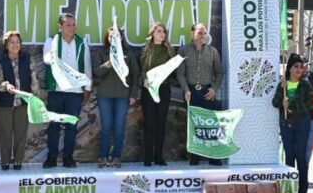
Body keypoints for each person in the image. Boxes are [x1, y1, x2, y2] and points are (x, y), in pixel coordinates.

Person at [42, 13, 93, 169]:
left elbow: (87, 65)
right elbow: (46, 59)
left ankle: (68, 158)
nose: (71, 28)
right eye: (68, 25)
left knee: (71, 126)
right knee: (54, 126)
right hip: (56, 90)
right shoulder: (51, 41)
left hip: (75, 92)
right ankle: (51, 158)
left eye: (73, 25)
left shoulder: (81, 43)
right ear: (60, 27)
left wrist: (88, 88)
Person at [0, 30, 41, 171]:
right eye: (12, 42)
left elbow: (34, 78)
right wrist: (5, 86)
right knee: (5, 133)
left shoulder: (27, 58)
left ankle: (18, 161)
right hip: (6, 102)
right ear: (6, 44)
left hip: (23, 102)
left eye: (17, 42)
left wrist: (35, 96)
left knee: (21, 133)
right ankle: (5, 162)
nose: (15, 45)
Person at [177, 23, 223, 166]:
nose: (202, 36)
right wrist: (186, 90)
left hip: (207, 92)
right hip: (191, 92)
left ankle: (213, 157)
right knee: (193, 125)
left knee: (210, 124)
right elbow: (180, 73)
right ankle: (195, 157)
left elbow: (219, 73)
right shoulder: (183, 50)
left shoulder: (213, 51)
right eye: (199, 33)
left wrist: (214, 89)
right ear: (192, 34)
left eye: (204, 33)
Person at [94, 25, 140, 168]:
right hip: (105, 96)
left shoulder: (128, 54)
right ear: (107, 38)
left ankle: (116, 157)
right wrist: (109, 64)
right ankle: (103, 156)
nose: (114, 39)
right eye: (111, 36)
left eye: (117, 36)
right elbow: (96, 72)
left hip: (122, 96)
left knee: (119, 127)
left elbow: (135, 75)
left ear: (121, 38)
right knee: (107, 127)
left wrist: (133, 95)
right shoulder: (101, 52)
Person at [272, 54, 313, 193]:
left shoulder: (305, 85)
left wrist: (292, 104)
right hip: (286, 124)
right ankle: (290, 191)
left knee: (301, 157)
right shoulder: (282, 84)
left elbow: (308, 105)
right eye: (296, 66)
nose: (299, 70)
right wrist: (281, 102)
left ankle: (303, 191)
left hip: (302, 123)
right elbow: (274, 103)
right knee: (289, 156)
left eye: (301, 67)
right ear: (289, 68)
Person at [140, 22, 175, 166]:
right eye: (159, 31)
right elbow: (142, 69)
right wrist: (145, 80)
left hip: (163, 89)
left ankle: (159, 156)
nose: (162, 34)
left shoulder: (169, 50)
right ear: (152, 34)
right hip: (148, 90)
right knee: (149, 124)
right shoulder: (146, 50)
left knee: (161, 123)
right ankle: (148, 157)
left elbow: (172, 70)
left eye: (164, 32)